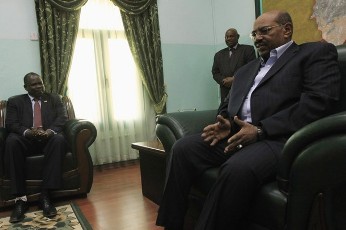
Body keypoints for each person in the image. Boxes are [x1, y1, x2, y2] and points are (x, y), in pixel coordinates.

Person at [156, 10, 341, 230]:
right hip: (237, 134)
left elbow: (318, 102)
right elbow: (228, 103)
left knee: (236, 168)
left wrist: (261, 130)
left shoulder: (313, 53)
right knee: (182, 149)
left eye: (264, 31)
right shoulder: (246, 69)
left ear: (287, 30)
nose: (257, 38)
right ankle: (172, 224)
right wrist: (224, 119)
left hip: (280, 139)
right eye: (254, 34)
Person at [4, 72, 69, 223]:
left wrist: (49, 131)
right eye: (34, 84)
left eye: (40, 83)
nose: (39, 86)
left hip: (48, 138)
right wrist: (28, 132)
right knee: (11, 141)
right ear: (26, 87)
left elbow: (62, 118)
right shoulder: (15, 101)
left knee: (59, 139)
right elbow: (11, 124)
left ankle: (45, 196)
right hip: (26, 139)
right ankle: (21, 200)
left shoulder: (54, 98)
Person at [212, 28, 256, 103]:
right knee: (225, 113)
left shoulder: (248, 50)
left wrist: (235, 79)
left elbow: (252, 69)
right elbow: (215, 72)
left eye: (231, 36)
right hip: (225, 93)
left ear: (238, 37)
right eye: (226, 37)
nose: (228, 38)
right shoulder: (218, 55)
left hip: (243, 90)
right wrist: (224, 81)